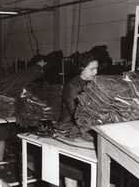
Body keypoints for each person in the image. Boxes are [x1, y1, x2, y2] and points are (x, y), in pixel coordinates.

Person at [59, 51, 98, 187]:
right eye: (92, 69)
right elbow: (76, 113)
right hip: (70, 128)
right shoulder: (72, 86)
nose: (95, 72)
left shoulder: (96, 83)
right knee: (71, 170)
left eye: (96, 68)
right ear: (82, 68)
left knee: (88, 170)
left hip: (87, 128)